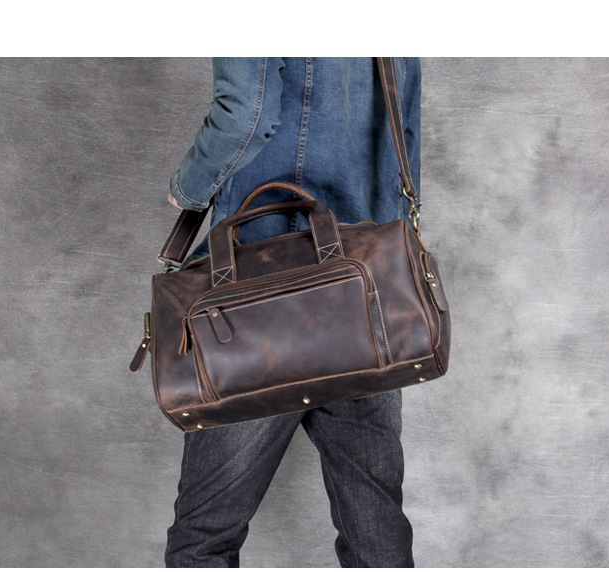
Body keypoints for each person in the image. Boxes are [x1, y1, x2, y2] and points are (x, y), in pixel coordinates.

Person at [164, 57, 421, 568]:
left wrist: (187, 188)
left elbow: (247, 111)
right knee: (376, 535)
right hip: (364, 294)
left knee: (204, 540)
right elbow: (403, 126)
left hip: (257, 303)